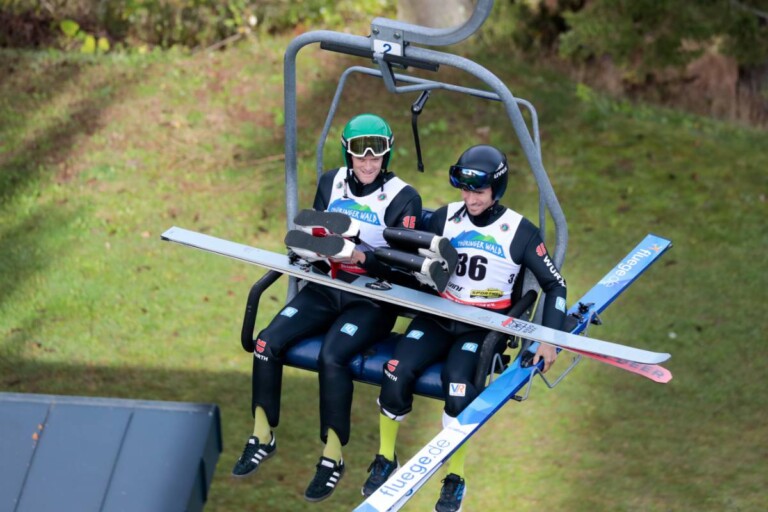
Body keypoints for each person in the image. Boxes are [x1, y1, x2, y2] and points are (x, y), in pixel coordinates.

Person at [360, 144, 568, 512]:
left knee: (458, 388)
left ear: (497, 188)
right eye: (465, 190)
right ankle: (386, 457)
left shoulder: (520, 231)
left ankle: (454, 477)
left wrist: (547, 340)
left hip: (481, 327)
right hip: (439, 316)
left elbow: (555, 285)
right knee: (396, 369)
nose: (470, 199)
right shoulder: (444, 218)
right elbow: (410, 259)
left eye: (479, 191)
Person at [231, 113, 423, 502]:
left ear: (387, 154)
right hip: (327, 286)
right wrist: (313, 249)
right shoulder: (331, 182)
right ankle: (262, 435)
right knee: (266, 343)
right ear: (347, 153)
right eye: (359, 153)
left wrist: (363, 257)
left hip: (372, 297)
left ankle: (332, 457)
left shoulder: (403, 197)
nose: (368, 162)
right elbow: (315, 236)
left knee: (332, 357)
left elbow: (403, 268)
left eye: (376, 153)